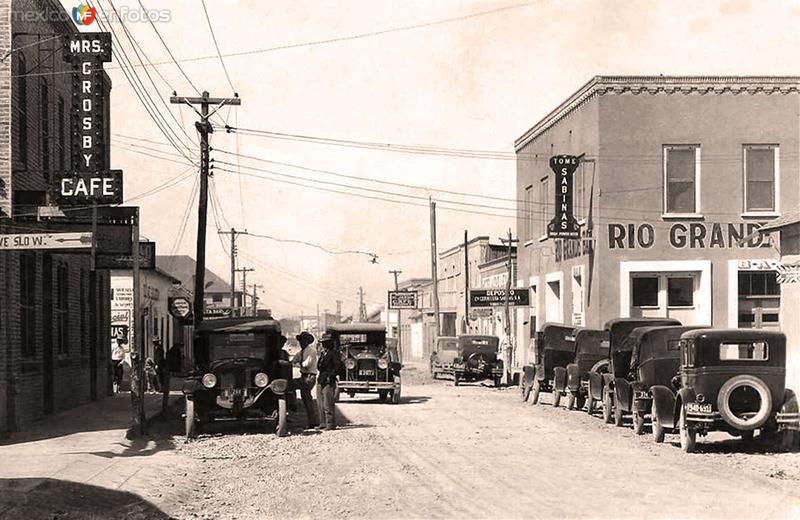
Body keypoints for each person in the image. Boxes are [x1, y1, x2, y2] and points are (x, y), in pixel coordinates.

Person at [291, 331, 319, 429]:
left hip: (309, 377)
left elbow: (306, 364)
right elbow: (294, 360)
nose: (301, 343)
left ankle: (292, 404)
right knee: (307, 400)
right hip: (305, 376)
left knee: (290, 384)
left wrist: (297, 364)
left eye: (302, 341)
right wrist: (295, 362)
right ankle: (313, 422)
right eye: (300, 341)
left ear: (307, 341)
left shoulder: (311, 351)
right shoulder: (301, 351)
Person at [316, 333, 342, 431]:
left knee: (328, 403)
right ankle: (322, 423)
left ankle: (330, 424)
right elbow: (319, 367)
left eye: (325, 343)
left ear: (330, 343)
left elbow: (338, 367)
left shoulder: (334, 353)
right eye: (323, 343)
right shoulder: (323, 354)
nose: (323, 345)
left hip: (328, 380)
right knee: (320, 402)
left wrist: (330, 376)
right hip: (321, 379)